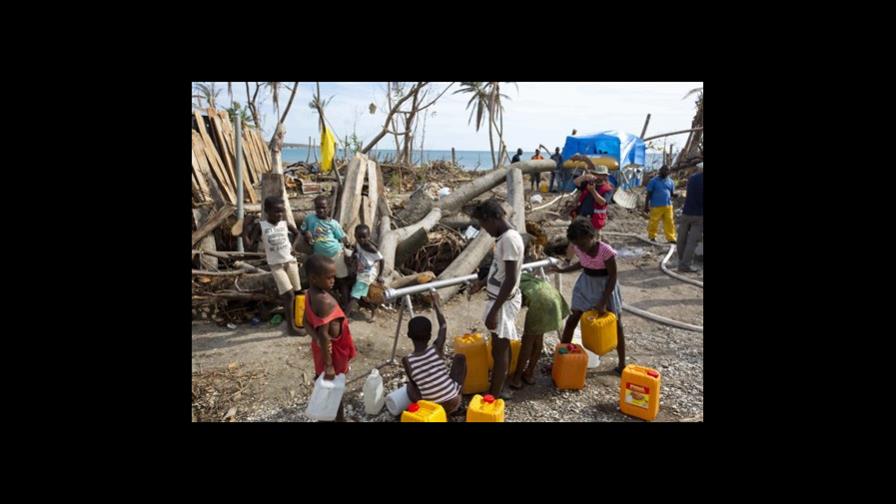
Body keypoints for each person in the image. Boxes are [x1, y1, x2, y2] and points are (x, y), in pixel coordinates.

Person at [550, 218, 627, 374]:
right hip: (585, 285)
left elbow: (613, 276)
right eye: (578, 245)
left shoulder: (606, 251)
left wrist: (603, 301)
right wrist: (562, 270)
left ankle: (622, 363)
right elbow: (583, 263)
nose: (581, 249)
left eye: (583, 244)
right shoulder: (579, 248)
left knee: (616, 324)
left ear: (592, 236)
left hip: (605, 287)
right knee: (572, 320)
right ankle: (560, 358)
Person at [468, 199, 524, 399]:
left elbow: (510, 279)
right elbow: (500, 271)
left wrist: (494, 312)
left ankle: (495, 393)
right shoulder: (504, 237)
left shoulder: (508, 240)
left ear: (493, 219)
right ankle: (500, 386)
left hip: (502, 303)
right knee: (501, 346)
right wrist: (482, 283)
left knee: (499, 350)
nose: (485, 230)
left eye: (484, 225)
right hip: (499, 298)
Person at [304, 254, 358, 421]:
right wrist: (329, 365)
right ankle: (337, 418)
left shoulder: (309, 294)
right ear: (314, 278)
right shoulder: (324, 301)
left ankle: (324, 414)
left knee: (324, 381)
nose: (333, 280)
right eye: (329, 278)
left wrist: (318, 341)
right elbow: (325, 334)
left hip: (322, 349)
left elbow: (305, 322)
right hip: (334, 352)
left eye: (334, 276)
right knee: (335, 386)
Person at [244, 196, 304, 336]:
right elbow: (249, 246)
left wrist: (293, 247)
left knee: (298, 292)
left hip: (290, 262)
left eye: (281, 211)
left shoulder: (284, 224)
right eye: (276, 212)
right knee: (288, 295)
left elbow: (297, 234)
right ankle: (291, 328)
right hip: (276, 266)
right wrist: (244, 229)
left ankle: (300, 320)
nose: (279, 214)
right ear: (266, 211)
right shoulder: (261, 226)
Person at [402, 291, 466, 415]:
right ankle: (456, 400)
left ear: (409, 335)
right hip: (454, 401)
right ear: (430, 335)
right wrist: (436, 303)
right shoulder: (436, 349)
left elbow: (415, 384)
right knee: (460, 358)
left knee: (410, 386)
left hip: (432, 408)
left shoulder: (407, 361)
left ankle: (430, 410)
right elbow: (443, 325)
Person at [507, 268, 570, 390]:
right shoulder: (521, 275)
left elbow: (515, 304)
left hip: (541, 302)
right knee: (538, 337)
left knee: (527, 341)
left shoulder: (509, 282)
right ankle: (529, 373)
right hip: (553, 296)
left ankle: (516, 378)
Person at [301, 195, 353, 305]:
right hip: (321, 258)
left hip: (336, 254)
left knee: (342, 280)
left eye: (323, 208)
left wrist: (348, 249)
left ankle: (346, 305)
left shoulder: (333, 223)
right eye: (318, 208)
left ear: (328, 208)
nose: (320, 210)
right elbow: (303, 230)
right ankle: (328, 304)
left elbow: (342, 238)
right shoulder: (309, 219)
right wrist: (307, 234)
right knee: (323, 283)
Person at [346, 224, 384, 321]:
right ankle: (373, 312)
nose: (362, 240)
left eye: (364, 237)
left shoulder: (371, 248)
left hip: (368, 273)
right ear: (355, 236)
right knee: (363, 297)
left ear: (368, 236)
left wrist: (380, 275)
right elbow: (355, 249)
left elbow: (382, 259)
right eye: (359, 237)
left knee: (355, 296)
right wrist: (352, 256)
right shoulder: (358, 243)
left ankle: (345, 317)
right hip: (361, 271)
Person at [570, 155, 613, 232]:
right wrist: (584, 177)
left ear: (604, 176)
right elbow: (575, 182)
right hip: (581, 217)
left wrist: (593, 191)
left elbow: (602, 202)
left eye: (599, 175)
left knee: (592, 241)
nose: (597, 176)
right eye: (595, 174)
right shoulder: (589, 183)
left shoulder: (607, 188)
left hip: (595, 220)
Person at [676, 162, 703, 272]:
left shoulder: (692, 179)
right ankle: (685, 265)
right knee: (692, 241)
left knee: (681, 238)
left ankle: (681, 260)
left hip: (686, 212)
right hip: (699, 215)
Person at [645, 165, 677, 243]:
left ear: (669, 172)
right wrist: (646, 206)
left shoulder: (671, 182)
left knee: (669, 222)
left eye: (667, 171)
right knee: (654, 222)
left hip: (668, 205)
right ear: (660, 171)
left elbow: (672, 193)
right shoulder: (653, 181)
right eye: (664, 170)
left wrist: (675, 195)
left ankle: (671, 238)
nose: (666, 172)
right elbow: (648, 194)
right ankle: (652, 237)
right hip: (656, 206)